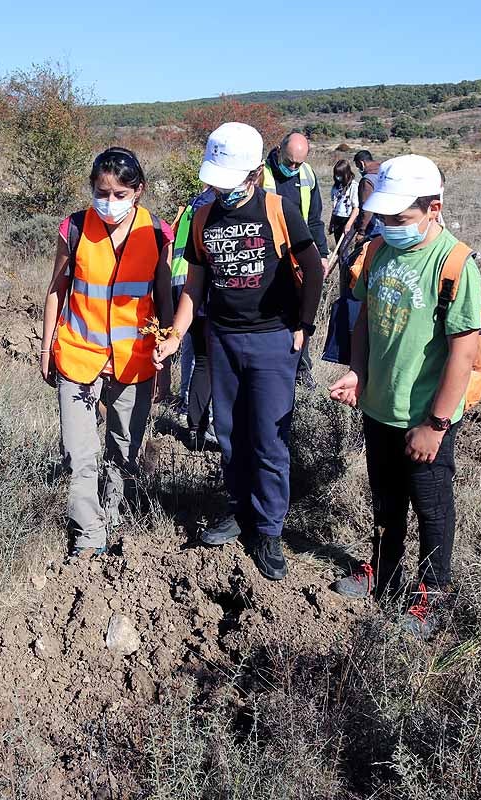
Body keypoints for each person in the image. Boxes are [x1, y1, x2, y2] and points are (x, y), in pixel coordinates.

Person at [153, 122, 323, 581]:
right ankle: (237, 509)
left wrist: (304, 327)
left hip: (272, 338)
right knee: (229, 434)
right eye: (214, 181)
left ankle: (268, 529)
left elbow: (312, 266)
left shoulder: (279, 209)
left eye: (227, 181)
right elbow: (196, 281)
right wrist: (175, 335)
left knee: (268, 437)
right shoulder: (205, 215)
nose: (217, 189)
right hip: (222, 337)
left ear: (252, 174)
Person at [328, 155, 481, 639]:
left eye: (401, 218)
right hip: (379, 405)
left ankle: (431, 593)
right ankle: (383, 570)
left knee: (432, 507)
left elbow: (462, 353)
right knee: (386, 500)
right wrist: (357, 372)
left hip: (425, 416)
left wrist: (435, 425)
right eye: (384, 217)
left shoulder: (455, 263)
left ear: (433, 208)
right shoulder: (376, 252)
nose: (390, 226)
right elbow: (363, 320)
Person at [39, 147, 174, 557]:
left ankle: (112, 515)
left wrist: (165, 364)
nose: (109, 202)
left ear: (139, 192)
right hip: (78, 356)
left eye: (119, 193)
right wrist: (46, 347)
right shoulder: (75, 228)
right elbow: (56, 289)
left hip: (135, 360)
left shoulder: (157, 233)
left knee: (124, 450)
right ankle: (89, 537)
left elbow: (165, 301)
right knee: (80, 455)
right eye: (102, 192)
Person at [266, 131, 329, 388]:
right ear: (278, 150)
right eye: (289, 161)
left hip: (299, 254)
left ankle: (302, 372)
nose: (293, 168)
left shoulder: (307, 175)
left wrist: (322, 255)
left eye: (298, 163)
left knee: (303, 313)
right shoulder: (261, 175)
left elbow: (314, 219)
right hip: (270, 256)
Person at [169, 187, 218, 450]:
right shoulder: (213, 204)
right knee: (213, 361)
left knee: (200, 358)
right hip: (202, 287)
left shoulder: (193, 202)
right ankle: (210, 428)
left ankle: (195, 428)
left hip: (182, 284)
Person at [352, 149, 384, 242]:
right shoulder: (383, 174)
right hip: (387, 222)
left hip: (373, 225)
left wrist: (361, 231)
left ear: (362, 163)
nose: (358, 169)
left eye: (358, 166)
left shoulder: (367, 180)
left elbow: (367, 207)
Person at [328, 159, 360, 246]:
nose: (338, 176)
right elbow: (334, 207)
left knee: (343, 248)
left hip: (348, 219)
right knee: (338, 249)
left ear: (345, 173)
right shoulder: (336, 187)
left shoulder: (353, 186)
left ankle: (347, 260)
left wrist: (349, 224)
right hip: (337, 218)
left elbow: (356, 208)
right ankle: (340, 260)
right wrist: (331, 223)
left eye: (340, 174)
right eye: (336, 174)